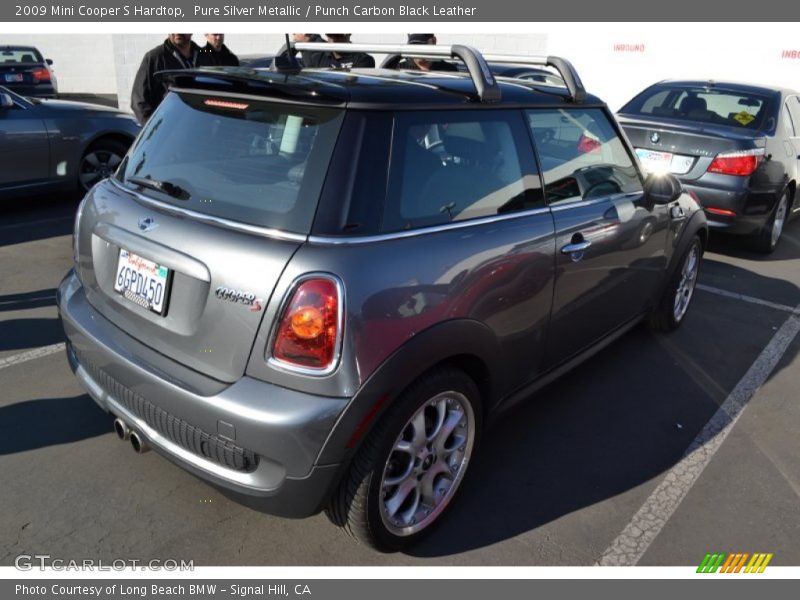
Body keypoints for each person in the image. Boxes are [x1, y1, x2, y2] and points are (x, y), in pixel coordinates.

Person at [130, 34, 202, 125]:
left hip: (201, 129)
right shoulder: (154, 58)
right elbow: (139, 101)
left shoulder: (203, 55)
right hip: (171, 132)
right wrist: (155, 129)